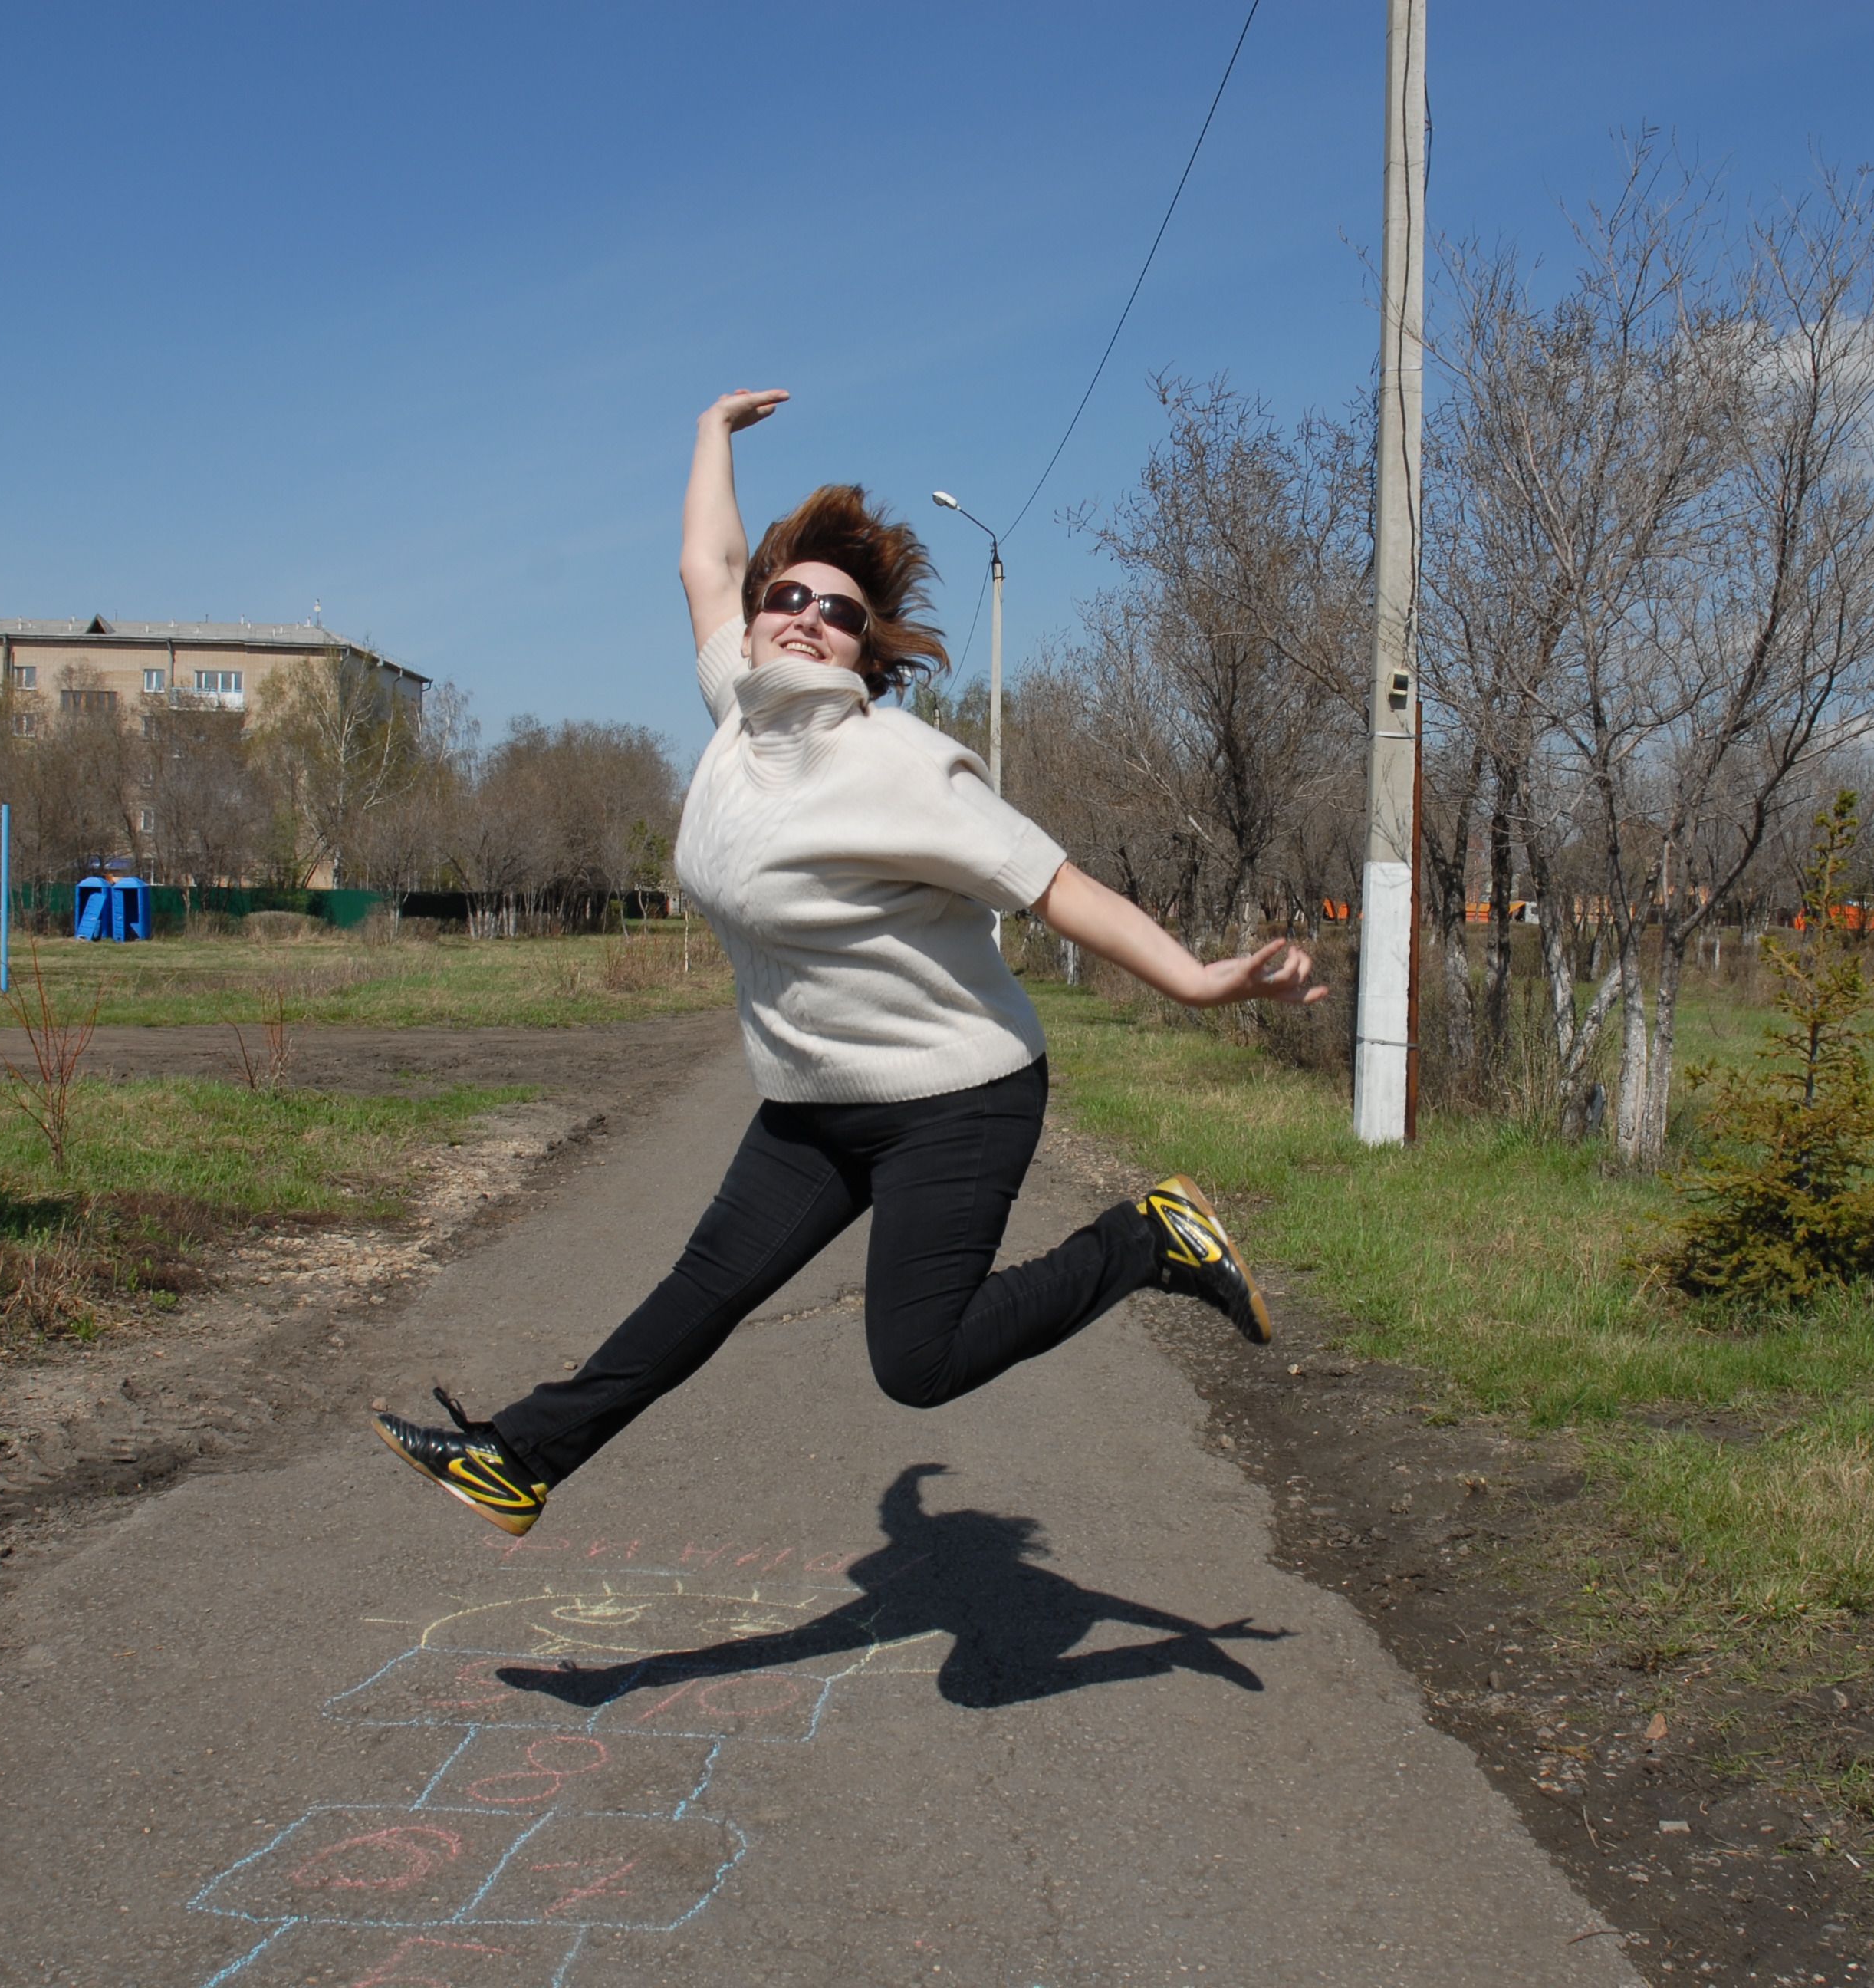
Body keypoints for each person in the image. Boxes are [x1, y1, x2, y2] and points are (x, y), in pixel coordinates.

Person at [373, 389, 1324, 1539]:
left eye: (838, 613)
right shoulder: (738, 721)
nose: (806, 617)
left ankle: (1150, 1238)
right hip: (816, 1100)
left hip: (956, 1094)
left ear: (863, 652)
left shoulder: (901, 769)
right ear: (757, 620)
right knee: (702, 1291)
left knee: (918, 1363)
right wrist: (711, 432)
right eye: (788, 597)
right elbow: (703, 563)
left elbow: (1058, 886)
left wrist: (1200, 980)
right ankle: (518, 1460)